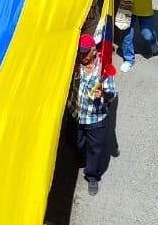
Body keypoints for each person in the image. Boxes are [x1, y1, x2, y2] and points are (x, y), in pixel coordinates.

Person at [70, 34, 116, 196]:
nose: (81, 56)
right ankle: (82, 158)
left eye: (84, 53)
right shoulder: (75, 64)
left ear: (94, 51)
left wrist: (102, 94)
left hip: (96, 119)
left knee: (95, 150)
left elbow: (112, 94)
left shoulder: (103, 69)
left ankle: (92, 176)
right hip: (77, 115)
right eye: (80, 53)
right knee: (78, 143)